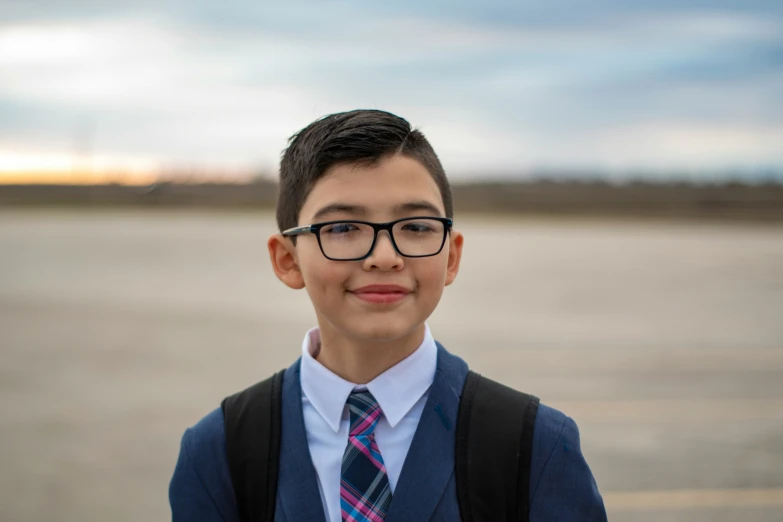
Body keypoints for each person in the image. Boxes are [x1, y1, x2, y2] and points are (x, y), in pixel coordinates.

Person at [169, 109, 607, 521]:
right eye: (341, 228)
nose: (384, 256)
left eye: (416, 227)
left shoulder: (533, 445)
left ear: (451, 257)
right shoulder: (221, 451)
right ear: (287, 260)